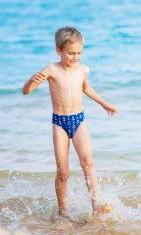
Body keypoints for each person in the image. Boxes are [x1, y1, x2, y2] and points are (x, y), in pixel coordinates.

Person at [22, 27, 118, 217]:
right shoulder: (51, 69)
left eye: (79, 53)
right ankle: (63, 211)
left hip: (79, 119)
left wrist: (105, 104)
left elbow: (86, 89)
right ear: (59, 50)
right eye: (71, 53)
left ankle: (96, 204)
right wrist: (31, 80)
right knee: (63, 171)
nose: (76, 57)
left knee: (88, 163)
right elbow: (26, 91)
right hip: (59, 123)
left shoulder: (83, 70)